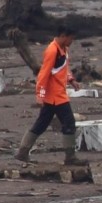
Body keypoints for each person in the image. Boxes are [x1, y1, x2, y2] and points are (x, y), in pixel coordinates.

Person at [15, 22, 84, 164]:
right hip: (55, 97)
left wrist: (71, 80)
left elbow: (63, 67)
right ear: (63, 36)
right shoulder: (52, 51)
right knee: (69, 122)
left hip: (57, 95)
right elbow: (44, 74)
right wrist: (40, 95)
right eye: (71, 38)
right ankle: (70, 157)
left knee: (41, 124)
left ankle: (22, 152)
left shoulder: (63, 49)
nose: (72, 41)